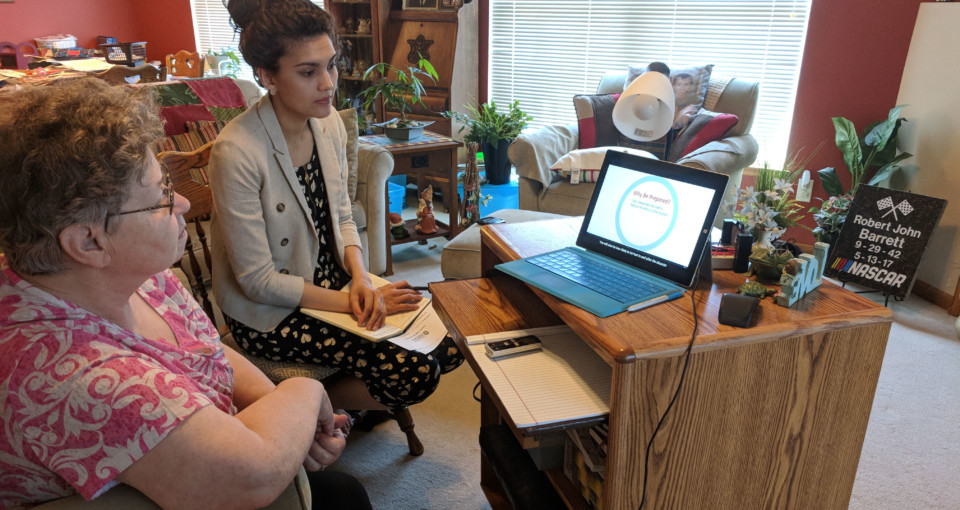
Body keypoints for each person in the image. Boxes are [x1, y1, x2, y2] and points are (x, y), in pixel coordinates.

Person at [0, 78, 370, 509]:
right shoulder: (76, 374)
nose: (184, 206)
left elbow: (203, 348)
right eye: (160, 197)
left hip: (210, 446)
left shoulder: (139, 274)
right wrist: (305, 394)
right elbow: (255, 473)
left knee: (344, 493)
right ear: (89, 243)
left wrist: (282, 411)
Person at [209, 0, 462, 414]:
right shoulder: (236, 151)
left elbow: (343, 216)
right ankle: (313, 407)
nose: (328, 83)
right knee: (416, 371)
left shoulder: (327, 124)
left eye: (331, 65)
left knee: (449, 344)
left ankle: (341, 396)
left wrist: (362, 278)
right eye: (308, 72)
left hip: (336, 285)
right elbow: (257, 282)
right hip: (273, 313)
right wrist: (351, 304)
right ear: (267, 76)